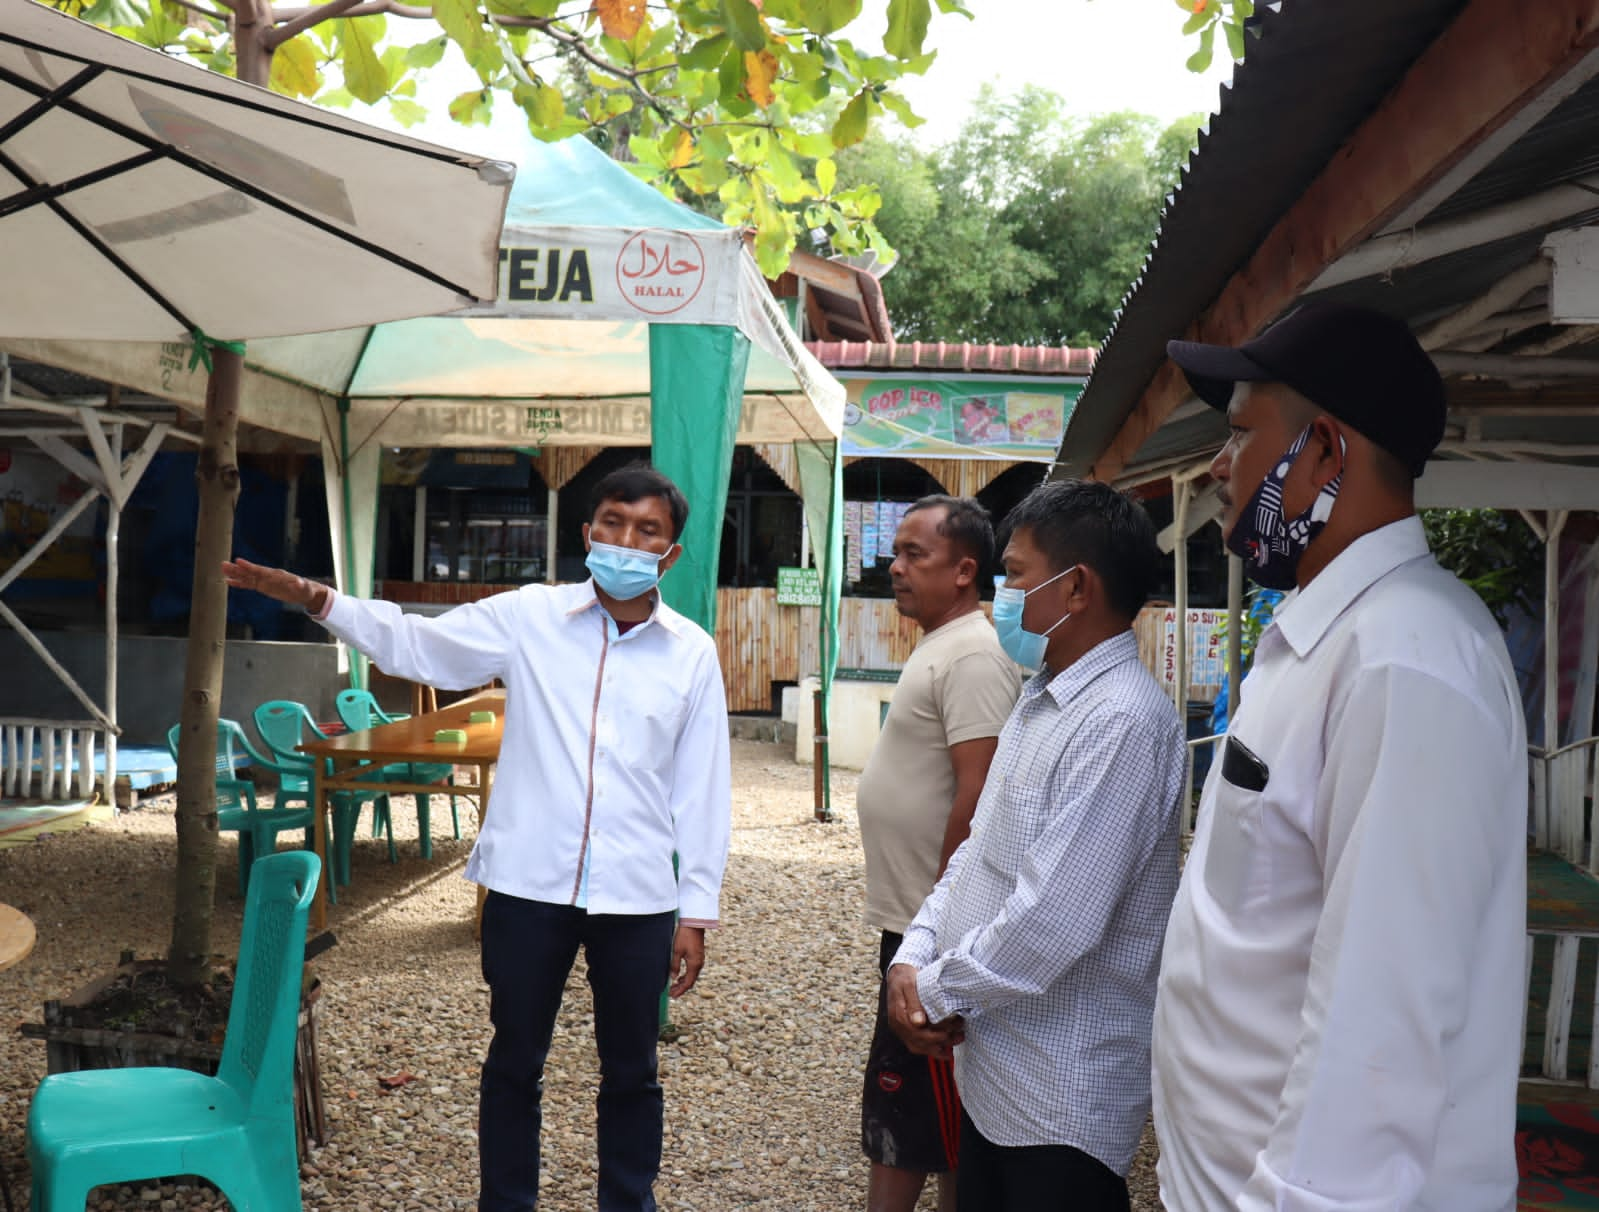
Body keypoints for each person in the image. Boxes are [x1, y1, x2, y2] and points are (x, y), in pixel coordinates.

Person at [222, 463, 731, 1212]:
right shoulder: (531, 617)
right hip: (528, 885)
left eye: (647, 531)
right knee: (514, 1061)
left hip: (638, 893)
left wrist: (696, 910)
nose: (627, 541)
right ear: (587, 535)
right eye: (613, 525)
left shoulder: (689, 652)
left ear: (670, 554)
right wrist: (316, 600)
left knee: (632, 1069)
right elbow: (416, 646)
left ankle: (629, 1201)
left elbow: (703, 788)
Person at [1154, 302, 1527, 1209]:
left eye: (1239, 435)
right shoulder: (1331, 636)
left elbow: (1379, 1019)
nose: (1216, 466)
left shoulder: (1404, 659)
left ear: (1323, 450)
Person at [886, 479, 1185, 1212]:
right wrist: (912, 952)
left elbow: (1054, 920)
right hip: (995, 1070)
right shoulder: (1040, 694)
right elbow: (978, 850)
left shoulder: (1121, 723)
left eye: (1015, 574)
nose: (1002, 594)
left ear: (1075, 587)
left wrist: (931, 991)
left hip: (1061, 1097)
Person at [857, 495, 1021, 1212]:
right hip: (914, 922)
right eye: (894, 552)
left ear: (964, 570)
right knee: (926, 1108)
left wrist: (940, 921)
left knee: (919, 1111)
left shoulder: (975, 656)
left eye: (912, 555)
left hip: (932, 930)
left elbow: (977, 793)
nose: (894, 568)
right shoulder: (941, 645)